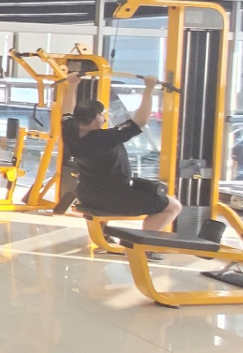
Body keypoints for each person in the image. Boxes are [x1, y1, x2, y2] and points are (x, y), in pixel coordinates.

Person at [60, 71, 182, 233]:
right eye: (102, 115)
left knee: (148, 193)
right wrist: (148, 89)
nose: (104, 118)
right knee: (173, 206)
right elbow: (141, 120)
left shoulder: (70, 132)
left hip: (86, 194)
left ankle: (105, 236)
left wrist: (72, 85)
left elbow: (67, 113)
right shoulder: (105, 138)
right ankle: (142, 243)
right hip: (115, 198)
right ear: (97, 118)